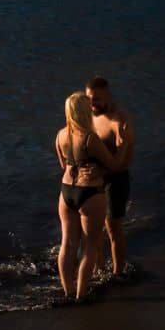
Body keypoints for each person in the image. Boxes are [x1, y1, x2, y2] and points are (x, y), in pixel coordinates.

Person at [55, 90, 122, 301]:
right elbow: (113, 165)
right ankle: (81, 294)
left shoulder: (60, 135)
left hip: (66, 192)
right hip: (90, 192)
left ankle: (68, 291)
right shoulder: (90, 138)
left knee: (67, 243)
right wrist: (122, 145)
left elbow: (63, 165)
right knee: (90, 245)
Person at [88, 76, 136, 278]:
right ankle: (97, 270)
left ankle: (118, 273)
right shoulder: (91, 116)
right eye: (89, 98)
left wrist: (102, 172)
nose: (92, 103)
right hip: (94, 181)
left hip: (115, 181)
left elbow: (123, 162)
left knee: (113, 229)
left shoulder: (120, 120)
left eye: (96, 99)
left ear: (108, 95)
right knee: (94, 229)